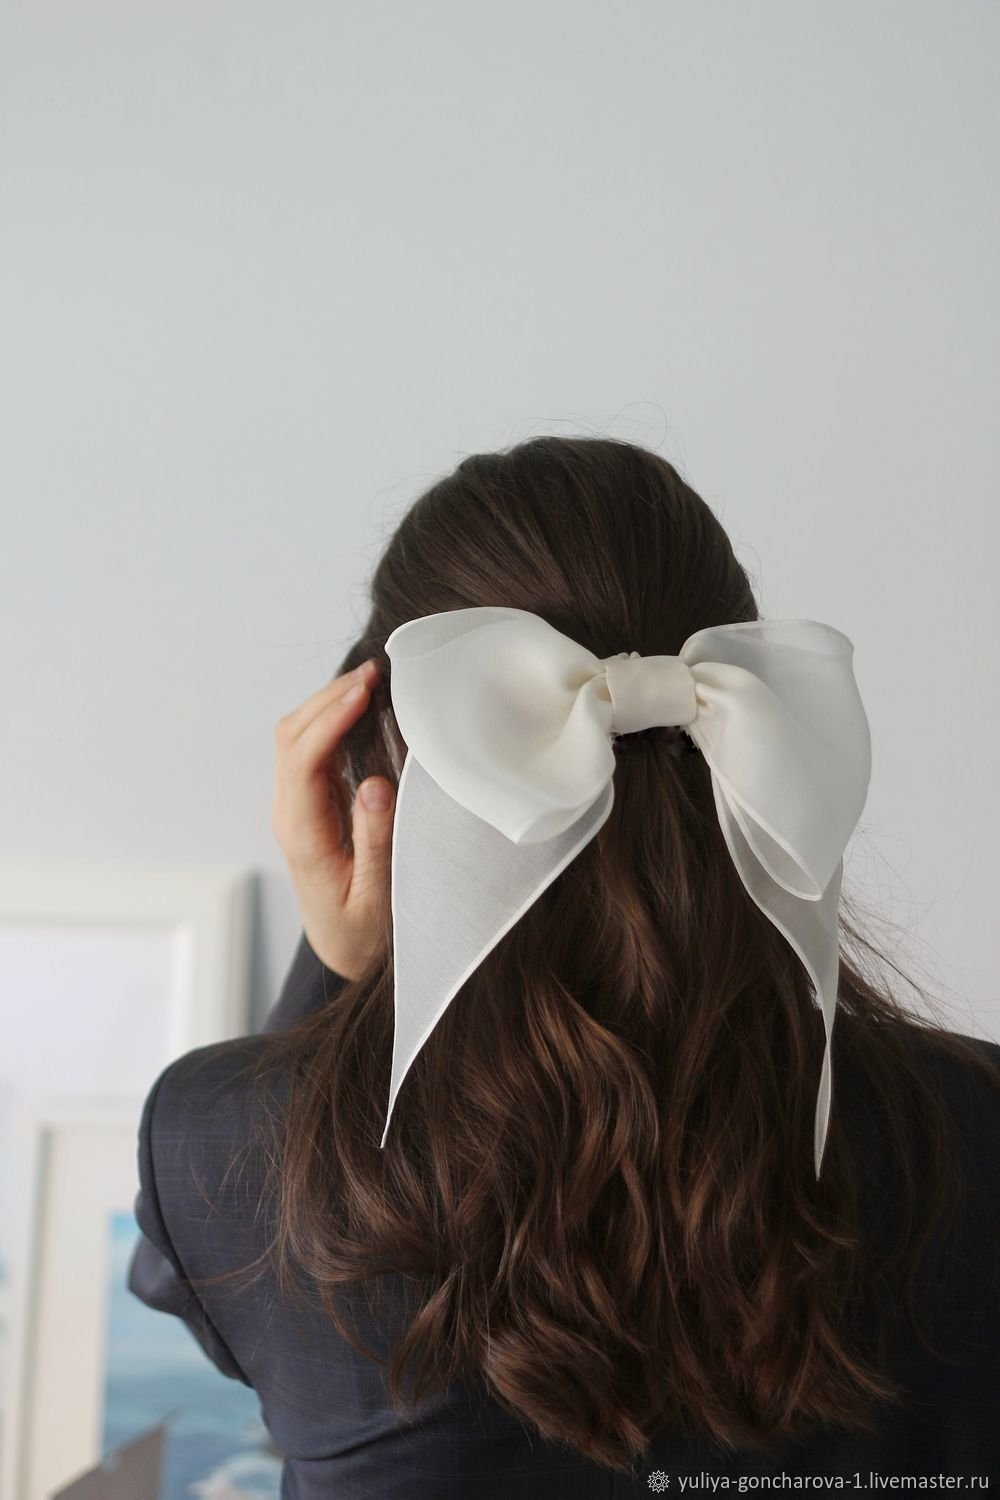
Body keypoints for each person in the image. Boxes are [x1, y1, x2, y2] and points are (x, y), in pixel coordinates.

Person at [127, 436, 1000, 1495]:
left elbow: (217, 1299)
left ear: (375, 756)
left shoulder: (218, 1142)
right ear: (758, 733)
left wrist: (340, 966)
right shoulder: (972, 1126)